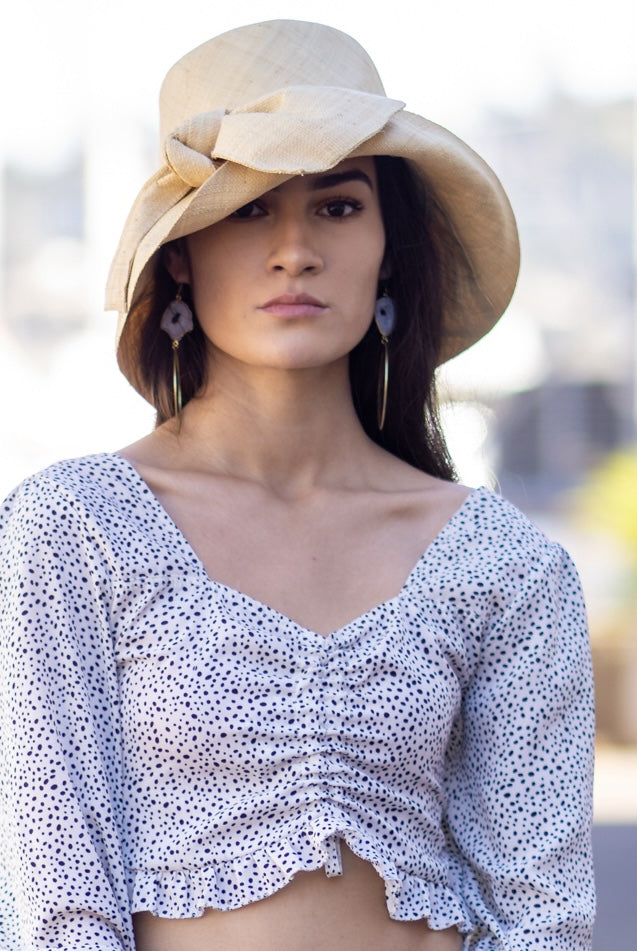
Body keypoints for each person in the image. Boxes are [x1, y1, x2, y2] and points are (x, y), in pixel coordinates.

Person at [0, 19, 595, 951]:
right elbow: (53, 902)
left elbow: (543, 913)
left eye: (337, 206)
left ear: (389, 246)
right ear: (181, 256)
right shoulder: (74, 530)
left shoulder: (502, 563)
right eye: (247, 209)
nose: (293, 251)